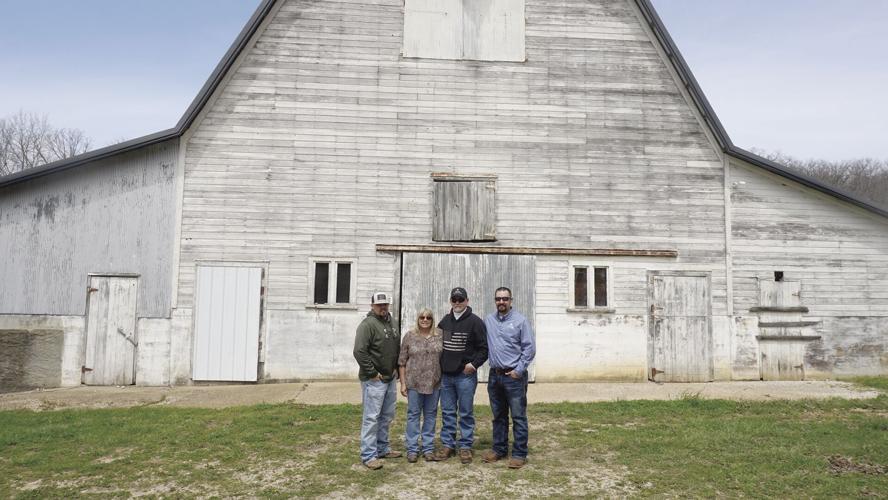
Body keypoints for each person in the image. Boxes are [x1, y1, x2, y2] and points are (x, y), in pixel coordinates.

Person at [482, 287, 536, 469]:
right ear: (495, 301)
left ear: (511, 300)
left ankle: (519, 454)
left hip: (514, 377)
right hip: (495, 376)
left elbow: (529, 348)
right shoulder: (489, 320)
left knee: (518, 416)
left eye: (505, 299)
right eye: (498, 299)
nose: (501, 302)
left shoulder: (521, 321)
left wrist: (518, 370)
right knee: (498, 416)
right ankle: (499, 449)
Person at [436, 286, 488, 464]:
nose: (457, 303)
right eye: (454, 299)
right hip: (446, 377)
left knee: (465, 412)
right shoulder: (444, 321)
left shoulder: (476, 322)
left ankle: (465, 446)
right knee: (448, 412)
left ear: (467, 301)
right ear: (451, 301)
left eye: (461, 299)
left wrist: (473, 365)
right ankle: (448, 445)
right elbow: (437, 345)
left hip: (465, 376)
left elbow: (484, 349)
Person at [353, 291, 402, 470]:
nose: (383, 307)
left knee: (386, 416)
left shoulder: (392, 322)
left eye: (385, 304)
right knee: (371, 418)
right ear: (372, 306)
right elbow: (359, 351)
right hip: (374, 380)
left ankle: (382, 448)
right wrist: (372, 372)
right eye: (379, 304)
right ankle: (368, 455)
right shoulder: (367, 325)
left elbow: (395, 347)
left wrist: (396, 367)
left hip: (390, 378)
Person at [398, 308, 444, 463]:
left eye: (428, 317)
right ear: (418, 319)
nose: (425, 320)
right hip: (414, 383)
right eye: (422, 317)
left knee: (430, 415)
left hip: (434, 383)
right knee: (413, 415)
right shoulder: (409, 336)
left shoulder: (439, 335)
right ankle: (412, 449)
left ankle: (428, 448)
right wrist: (403, 383)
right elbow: (402, 362)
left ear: (432, 319)